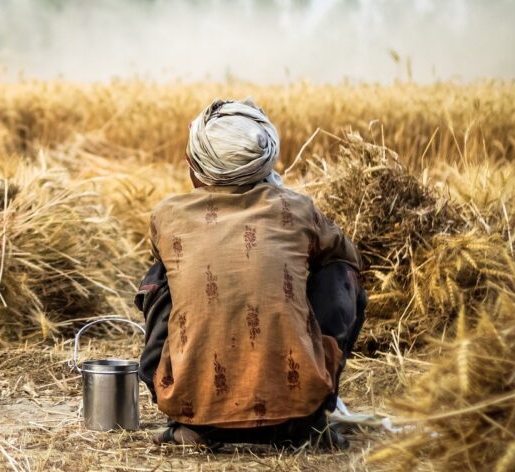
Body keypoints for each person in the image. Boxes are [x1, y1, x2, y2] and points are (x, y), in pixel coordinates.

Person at [135, 98, 366, 449]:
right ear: (266, 163)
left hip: (193, 412)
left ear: (193, 165)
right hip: (295, 419)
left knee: (162, 274)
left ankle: (187, 417)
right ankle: (313, 413)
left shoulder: (167, 215)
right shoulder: (299, 209)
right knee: (338, 271)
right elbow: (349, 258)